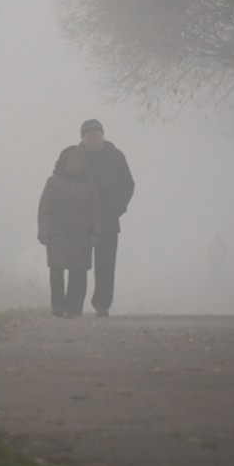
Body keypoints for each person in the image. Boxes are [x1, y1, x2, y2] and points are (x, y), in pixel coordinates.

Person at [38, 146, 103, 318]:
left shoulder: (90, 183)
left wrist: (95, 233)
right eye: (73, 161)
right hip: (58, 235)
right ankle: (58, 307)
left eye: (81, 161)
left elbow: (95, 210)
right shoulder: (53, 182)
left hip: (82, 236)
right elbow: (45, 208)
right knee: (56, 270)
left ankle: (74, 307)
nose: (77, 164)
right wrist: (44, 232)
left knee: (79, 273)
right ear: (65, 162)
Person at [79, 119, 135, 317]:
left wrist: (118, 208)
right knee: (78, 263)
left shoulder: (116, 157)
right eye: (88, 135)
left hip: (108, 220)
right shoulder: (73, 157)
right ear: (82, 138)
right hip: (80, 221)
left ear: (103, 136)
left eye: (96, 134)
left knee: (106, 263)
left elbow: (128, 184)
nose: (93, 138)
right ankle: (74, 304)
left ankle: (102, 305)